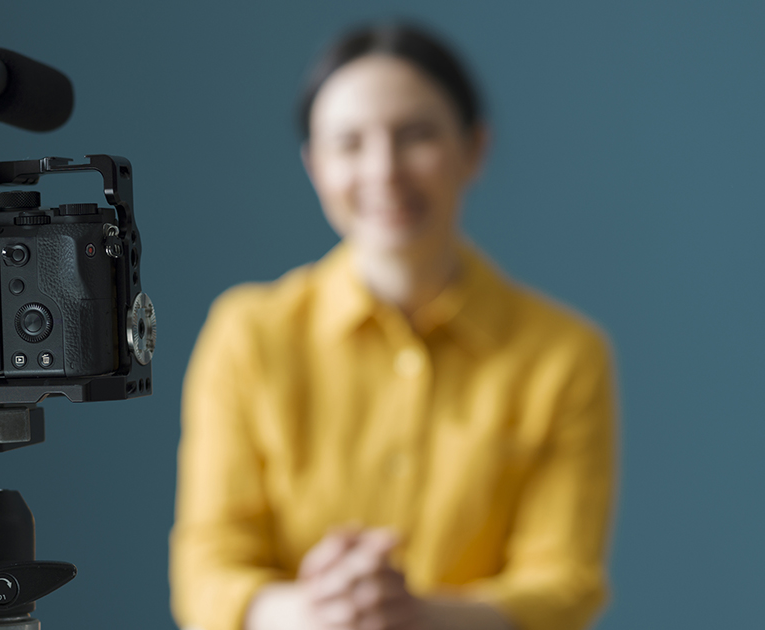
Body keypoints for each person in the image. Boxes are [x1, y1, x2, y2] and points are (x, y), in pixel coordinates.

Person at [170, 22, 617, 630]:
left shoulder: (564, 354)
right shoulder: (248, 334)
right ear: (315, 166)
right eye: (349, 143)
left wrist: (417, 616)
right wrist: (317, 612)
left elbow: (563, 584)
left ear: (474, 149)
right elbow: (207, 570)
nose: (384, 170)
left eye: (417, 135)